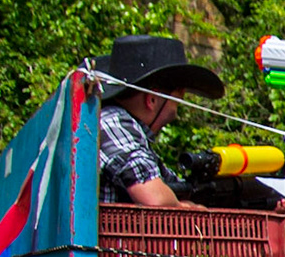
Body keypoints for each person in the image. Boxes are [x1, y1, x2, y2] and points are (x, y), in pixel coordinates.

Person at [92, 35, 226, 207]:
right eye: (177, 97)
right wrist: (187, 208)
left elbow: (169, 183)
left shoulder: (134, 133)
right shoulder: (112, 121)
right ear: (152, 99)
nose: (178, 106)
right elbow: (154, 198)